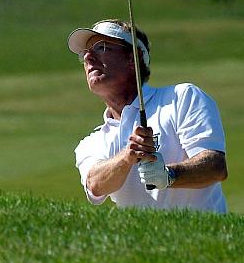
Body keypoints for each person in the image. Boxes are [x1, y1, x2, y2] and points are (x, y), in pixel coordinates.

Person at [68, 19, 228, 212]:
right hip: (140, 242)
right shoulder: (91, 143)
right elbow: (95, 184)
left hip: (203, 237)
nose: (88, 58)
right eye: (85, 54)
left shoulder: (181, 97)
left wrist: (169, 175)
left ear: (133, 58)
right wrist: (128, 156)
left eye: (102, 47)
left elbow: (215, 167)